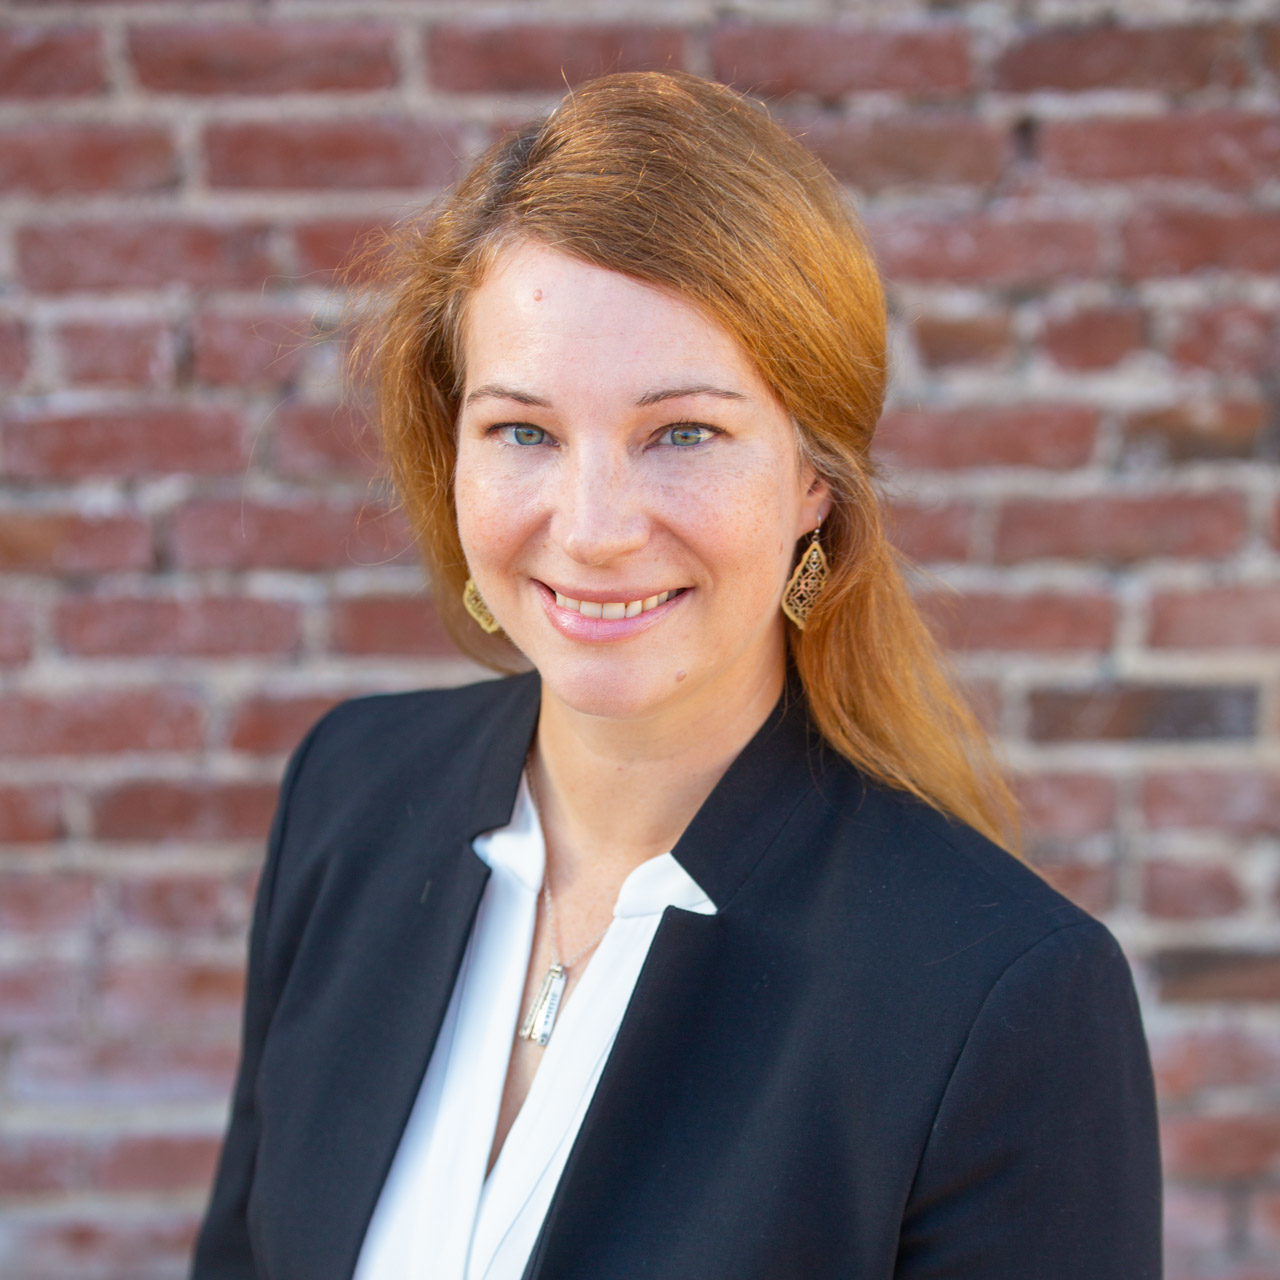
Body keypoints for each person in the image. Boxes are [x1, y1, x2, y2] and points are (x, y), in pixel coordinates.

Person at [191, 71, 1161, 1280]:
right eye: (523, 430)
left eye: (682, 432)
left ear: (812, 478)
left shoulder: (999, 997)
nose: (592, 526)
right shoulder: (351, 794)